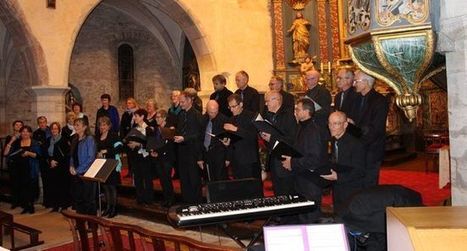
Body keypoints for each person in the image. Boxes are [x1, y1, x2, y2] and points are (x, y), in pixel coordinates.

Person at [281, 98, 329, 223]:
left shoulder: (312, 130)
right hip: (302, 178)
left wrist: (292, 162)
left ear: (307, 111)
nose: (295, 111)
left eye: (298, 109)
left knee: (310, 217)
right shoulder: (302, 127)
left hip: (310, 181)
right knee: (303, 215)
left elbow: (314, 159)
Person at [349, 70, 389, 188]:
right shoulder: (356, 99)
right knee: (357, 182)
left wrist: (355, 129)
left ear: (366, 82)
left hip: (371, 149)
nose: (353, 84)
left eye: (356, 81)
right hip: (357, 148)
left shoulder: (379, 101)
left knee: (369, 183)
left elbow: (376, 129)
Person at [320, 111, 365, 216]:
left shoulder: (356, 144)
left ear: (345, 125)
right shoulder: (330, 141)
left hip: (352, 191)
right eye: (330, 123)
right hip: (337, 189)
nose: (331, 127)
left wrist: (338, 177)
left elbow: (360, 171)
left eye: (336, 123)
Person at [261, 91, 297, 196]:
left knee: (287, 194)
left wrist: (271, 138)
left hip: (285, 160)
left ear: (276, 100)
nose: (266, 104)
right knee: (278, 193)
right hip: (274, 160)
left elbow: (292, 139)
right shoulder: (269, 116)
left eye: (267, 101)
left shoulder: (288, 116)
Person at [174, 91, 204, 203]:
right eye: (180, 102)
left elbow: (200, 134)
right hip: (182, 151)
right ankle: (186, 203)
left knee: (194, 180)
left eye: (182, 102)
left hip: (193, 152)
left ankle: (196, 205)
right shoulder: (181, 115)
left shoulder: (197, 115)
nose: (180, 104)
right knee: (184, 179)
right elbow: (179, 130)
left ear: (189, 100)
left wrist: (185, 138)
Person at [224, 94, 261, 180]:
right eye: (230, 107)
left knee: (251, 188)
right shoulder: (231, 119)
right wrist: (227, 143)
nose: (231, 110)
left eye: (233, 106)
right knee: (239, 188)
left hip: (249, 159)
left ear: (241, 104)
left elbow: (253, 136)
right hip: (236, 160)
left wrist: (235, 129)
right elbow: (232, 140)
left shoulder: (252, 116)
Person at [5, 125, 40, 214]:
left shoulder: (34, 142)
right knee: (23, 188)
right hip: (19, 168)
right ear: (20, 133)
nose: (25, 133)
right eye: (23, 131)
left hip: (30, 168)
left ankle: (31, 206)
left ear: (30, 133)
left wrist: (28, 153)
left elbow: (38, 155)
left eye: (27, 131)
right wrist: (11, 141)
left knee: (31, 188)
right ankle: (26, 206)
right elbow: (7, 154)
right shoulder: (17, 142)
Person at [126, 109, 155, 206]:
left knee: (146, 178)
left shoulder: (149, 129)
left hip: (145, 157)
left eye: (136, 116)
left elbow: (151, 144)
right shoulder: (134, 128)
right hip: (135, 156)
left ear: (142, 117)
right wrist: (130, 144)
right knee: (137, 178)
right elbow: (127, 140)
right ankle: (140, 198)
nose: (134, 118)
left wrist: (138, 144)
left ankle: (148, 199)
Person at [96, 116, 123, 217]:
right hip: (102, 164)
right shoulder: (98, 136)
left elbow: (120, 147)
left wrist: (107, 151)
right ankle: (108, 207)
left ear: (109, 126)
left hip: (111, 163)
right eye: (100, 125)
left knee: (112, 186)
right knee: (105, 186)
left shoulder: (113, 135)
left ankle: (114, 208)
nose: (102, 127)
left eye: (104, 125)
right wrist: (98, 153)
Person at [69, 118, 97, 215]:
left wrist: (78, 170)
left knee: (89, 199)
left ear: (84, 127)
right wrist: (71, 166)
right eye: (75, 125)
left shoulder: (89, 139)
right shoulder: (75, 139)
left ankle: (91, 224)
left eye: (78, 125)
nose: (75, 127)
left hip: (86, 172)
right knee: (78, 198)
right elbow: (72, 155)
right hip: (76, 171)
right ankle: (80, 221)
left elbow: (90, 158)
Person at [198, 100, 229, 181]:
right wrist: (199, 158)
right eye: (211, 112)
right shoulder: (202, 119)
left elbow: (229, 141)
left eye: (216, 112)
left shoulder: (224, 120)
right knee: (208, 180)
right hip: (206, 154)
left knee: (220, 180)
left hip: (219, 155)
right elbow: (200, 139)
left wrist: (228, 158)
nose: (214, 114)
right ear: (207, 110)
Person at [151, 109, 175, 207]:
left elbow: (168, 145)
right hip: (158, 158)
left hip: (166, 158)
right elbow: (155, 142)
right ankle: (165, 199)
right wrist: (152, 150)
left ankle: (171, 199)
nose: (156, 119)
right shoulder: (157, 129)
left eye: (158, 117)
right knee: (162, 179)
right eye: (156, 117)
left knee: (167, 179)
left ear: (164, 118)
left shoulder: (169, 129)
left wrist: (158, 152)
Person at [46, 122, 71, 212]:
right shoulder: (48, 140)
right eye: (52, 129)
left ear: (59, 130)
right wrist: (50, 161)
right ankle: (55, 205)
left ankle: (63, 205)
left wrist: (57, 162)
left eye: (56, 128)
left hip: (62, 166)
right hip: (52, 166)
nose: (54, 130)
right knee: (54, 186)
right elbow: (46, 153)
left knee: (62, 186)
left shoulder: (63, 140)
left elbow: (67, 154)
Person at [3, 120, 24, 209]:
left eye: (20, 125)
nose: (18, 126)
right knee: (14, 183)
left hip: (23, 163)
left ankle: (23, 201)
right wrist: (12, 140)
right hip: (13, 163)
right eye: (16, 125)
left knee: (23, 183)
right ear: (13, 127)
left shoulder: (24, 136)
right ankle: (15, 202)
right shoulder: (9, 137)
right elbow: (5, 153)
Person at [33, 116, 51, 207]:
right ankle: (46, 201)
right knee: (45, 180)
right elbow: (37, 146)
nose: (42, 124)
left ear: (46, 122)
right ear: (38, 124)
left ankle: (53, 200)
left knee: (52, 181)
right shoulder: (36, 133)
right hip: (42, 160)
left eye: (44, 122)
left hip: (52, 159)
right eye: (40, 122)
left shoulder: (51, 130)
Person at [120, 97, 138, 178]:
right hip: (127, 137)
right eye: (127, 103)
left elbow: (136, 126)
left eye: (130, 103)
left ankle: (135, 171)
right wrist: (123, 137)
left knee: (134, 156)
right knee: (129, 156)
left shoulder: (137, 113)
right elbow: (122, 126)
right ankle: (130, 171)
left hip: (134, 137)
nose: (128, 104)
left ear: (134, 104)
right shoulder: (125, 114)